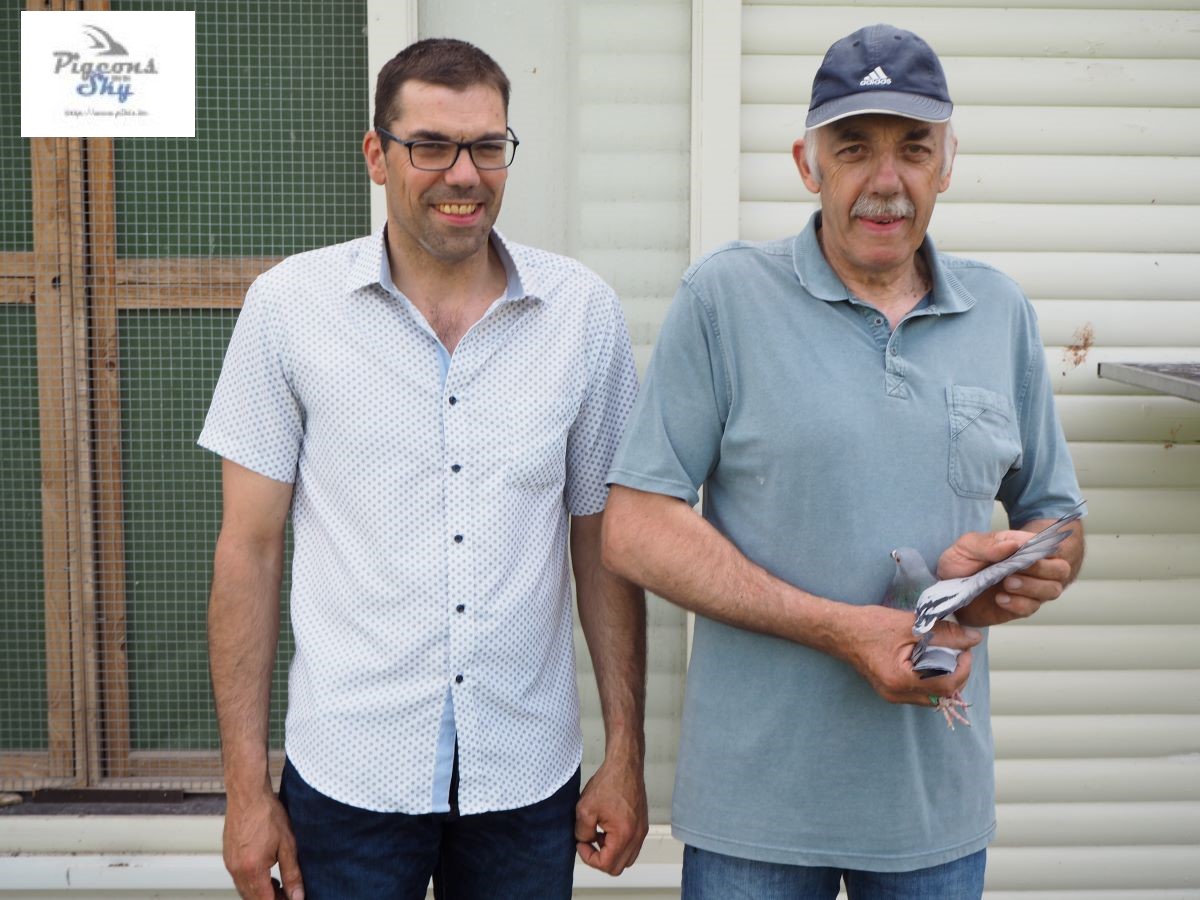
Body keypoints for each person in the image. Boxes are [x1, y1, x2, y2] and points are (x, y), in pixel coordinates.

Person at [601, 23, 1084, 899]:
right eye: (854, 147)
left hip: (932, 812)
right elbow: (635, 529)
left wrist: (1017, 572)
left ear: (947, 163)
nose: (886, 180)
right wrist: (841, 629)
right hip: (755, 813)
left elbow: (1057, 517)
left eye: (914, 148)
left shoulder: (1001, 313)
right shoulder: (725, 300)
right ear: (807, 163)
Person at [201, 37, 647, 900]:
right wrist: (245, 791)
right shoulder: (289, 310)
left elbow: (604, 543)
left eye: (487, 146)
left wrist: (626, 753)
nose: (464, 175)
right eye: (432, 146)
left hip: (525, 776)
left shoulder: (581, 315)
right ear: (377, 155)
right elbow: (247, 551)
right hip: (349, 777)